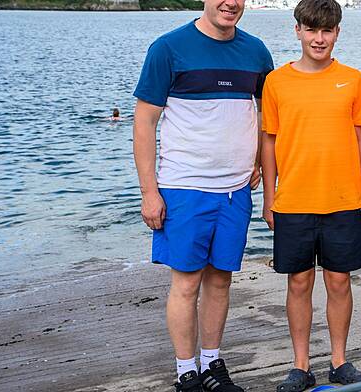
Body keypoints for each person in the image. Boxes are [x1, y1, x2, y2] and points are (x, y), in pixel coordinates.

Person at [132, 0, 274, 390]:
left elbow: (266, 114)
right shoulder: (168, 48)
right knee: (187, 283)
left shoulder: (256, 51)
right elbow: (144, 120)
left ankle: (211, 364)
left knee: (221, 280)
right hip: (183, 187)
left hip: (236, 189)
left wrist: (260, 162)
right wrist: (149, 192)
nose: (231, 3)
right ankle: (186, 373)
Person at [260, 0, 361, 390]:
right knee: (299, 283)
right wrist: (268, 197)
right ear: (298, 31)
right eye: (311, 30)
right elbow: (269, 140)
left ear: (337, 32)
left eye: (326, 31)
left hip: (343, 200)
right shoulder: (276, 81)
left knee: (339, 282)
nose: (318, 38)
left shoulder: (353, 79)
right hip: (292, 200)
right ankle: (300, 366)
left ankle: (339, 362)